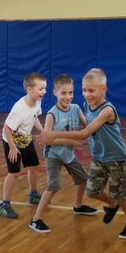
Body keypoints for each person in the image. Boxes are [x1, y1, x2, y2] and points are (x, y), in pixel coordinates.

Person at [41, 68, 126, 239]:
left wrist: (54, 134)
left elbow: (85, 133)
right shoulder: (87, 105)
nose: (86, 94)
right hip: (99, 157)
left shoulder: (107, 110)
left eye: (91, 90)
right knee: (91, 191)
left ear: (103, 89)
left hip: (115, 158)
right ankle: (112, 205)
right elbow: (88, 128)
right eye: (84, 90)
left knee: (120, 195)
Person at [29, 74, 98, 233]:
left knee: (82, 179)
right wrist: (70, 141)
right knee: (53, 186)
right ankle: (36, 219)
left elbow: (89, 126)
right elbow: (47, 140)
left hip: (68, 154)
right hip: (53, 154)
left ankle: (78, 206)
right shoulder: (52, 115)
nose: (68, 97)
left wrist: (102, 128)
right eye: (64, 93)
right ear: (55, 93)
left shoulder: (76, 109)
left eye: (71, 93)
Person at [0, 72, 46, 219]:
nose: (43, 92)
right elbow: (7, 128)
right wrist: (12, 147)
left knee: (33, 166)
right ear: (29, 89)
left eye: (44, 88)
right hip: (11, 141)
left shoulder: (37, 101)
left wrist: (43, 131)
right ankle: (4, 205)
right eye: (40, 89)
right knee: (13, 173)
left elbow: (35, 117)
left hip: (26, 139)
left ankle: (33, 194)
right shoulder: (19, 108)